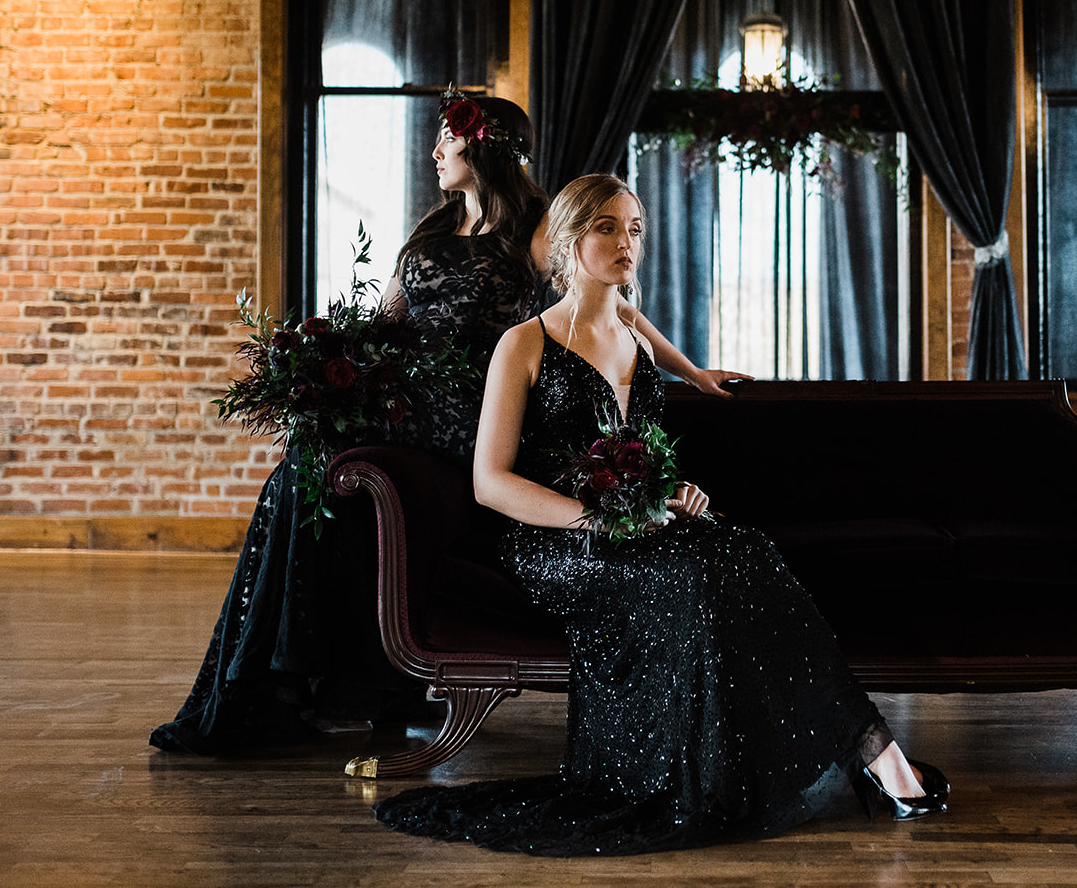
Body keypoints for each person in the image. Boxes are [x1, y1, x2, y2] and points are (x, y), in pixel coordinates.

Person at [372, 173, 948, 857]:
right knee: (703, 570)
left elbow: (639, 445)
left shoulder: (634, 336)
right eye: (608, 228)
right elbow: (491, 484)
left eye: (636, 228)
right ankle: (874, 754)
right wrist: (596, 518)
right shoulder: (523, 343)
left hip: (635, 529)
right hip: (554, 541)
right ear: (566, 238)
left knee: (744, 547)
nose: (627, 242)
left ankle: (866, 750)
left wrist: (670, 490)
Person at [151, 97, 747, 756]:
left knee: (318, 470)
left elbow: (606, 304)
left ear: (482, 147)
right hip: (406, 407)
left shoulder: (539, 224)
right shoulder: (432, 231)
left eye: (447, 141)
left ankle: (326, 685)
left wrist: (690, 371)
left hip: (471, 414)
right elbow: (382, 323)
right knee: (302, 470)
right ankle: (275, 685)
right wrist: (325, 369)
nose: (436, 153)